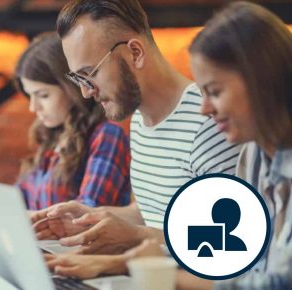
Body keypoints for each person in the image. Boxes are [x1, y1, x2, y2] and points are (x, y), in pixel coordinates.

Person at [46, 2, 292, 289]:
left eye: (214, 91)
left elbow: (229, 252)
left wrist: (136, 254)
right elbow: (239, 253)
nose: (85, 92)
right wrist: (101, 225)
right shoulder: (254, 155)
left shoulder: (217, 132)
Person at [31, 0, 241, 255]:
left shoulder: (211, 124)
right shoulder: (141, 121)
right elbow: (154, 213)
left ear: (135, 53)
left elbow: (228, 244)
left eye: (90, 73)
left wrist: (136, 238)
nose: (85, 92)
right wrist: (88, 219)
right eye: (78, 78)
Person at [0, 32, 132, 216]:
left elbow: (88, 213)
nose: (33, 107)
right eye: (30, 95)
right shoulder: (54, 137)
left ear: (73, 89)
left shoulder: (107, 135)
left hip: (79, 250)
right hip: (48, 248)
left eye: (43, 95)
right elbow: (19, 199)